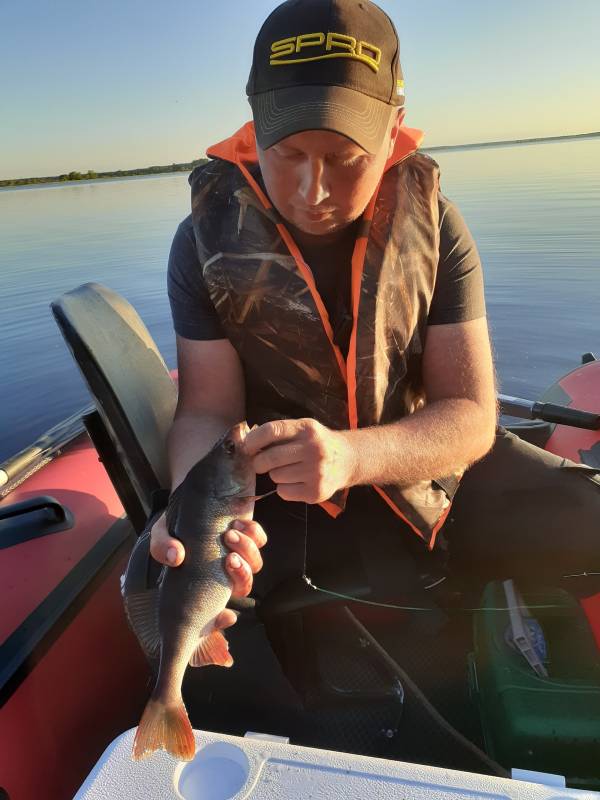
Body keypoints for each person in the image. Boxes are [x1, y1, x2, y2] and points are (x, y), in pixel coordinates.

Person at [150, 0, 600, 685]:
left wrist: (353, 455)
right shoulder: (202, 243)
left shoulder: (438, 228)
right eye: (288, 152)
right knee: (202, 644)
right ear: (253, 123)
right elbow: (207, 409)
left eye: (344, 157)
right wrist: (193, 518)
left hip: (421, 466)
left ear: (393, 130)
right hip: (274, 504)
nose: (312, 188)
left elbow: (472, 414)